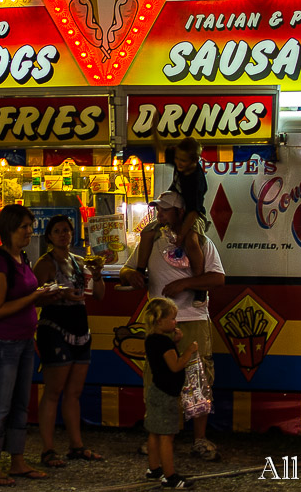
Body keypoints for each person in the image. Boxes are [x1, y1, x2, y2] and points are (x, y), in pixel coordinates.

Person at [120, 190, 226, 462]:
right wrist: (132, 275)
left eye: (166, 210)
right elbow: (127, 268)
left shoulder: (200, 241)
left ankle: (199, 439)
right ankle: (158, 436)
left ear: (180, 213)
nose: (160, 214)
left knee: (197, 377)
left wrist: (185, 283)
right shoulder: (151, 240)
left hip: (193, 318)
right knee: (157, 379)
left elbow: (218, 279)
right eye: (159, 209)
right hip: (158, 325)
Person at [0, 204, 63, 486]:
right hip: (2, 343)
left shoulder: (22, 258)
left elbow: (27, 295)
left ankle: (17, 459)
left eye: (30, 225)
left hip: (25, 340)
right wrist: (34, 296)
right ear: (9, 229)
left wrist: (44, 296)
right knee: (0, 404)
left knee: (20, 405)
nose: (30, 231)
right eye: (24, 226)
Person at [33, 215, 106, 468]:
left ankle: (76, 445)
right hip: (55, 327)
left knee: (74, 393)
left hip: (80, 327)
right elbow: (35, 298)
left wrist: (97, 275)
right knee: (53, 392)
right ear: (49, 236)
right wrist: (58, 293)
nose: (63, 234)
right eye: (57, 231)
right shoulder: (45, 263)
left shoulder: (80, 262)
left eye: (67, 230)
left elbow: (97, 295)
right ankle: (48, 449)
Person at [137, 138, 209, 307]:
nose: (178, 163)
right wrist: (154, 130)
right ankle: (140, 272)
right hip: (175, 209)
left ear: (194, 161)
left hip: (193, 214)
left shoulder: (195, 181)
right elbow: (160, 147)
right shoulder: (179, 159)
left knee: (191, 239)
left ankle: (200, 287)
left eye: (182, 161)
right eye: (177, 159)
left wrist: (182, 234)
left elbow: (193, 211)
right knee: (147, 233)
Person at [143, 297, 198, 489]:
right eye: (173, 319)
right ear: (160, 321)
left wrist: (174, 341)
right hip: (166, 394)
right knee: (167, 436)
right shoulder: (164, 344)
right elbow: (175, 366)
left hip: (156, 390)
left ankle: (154, 468)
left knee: (154, 432)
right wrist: (189, 351)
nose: (176, 322)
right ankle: (170, 476)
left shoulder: (152, 340)